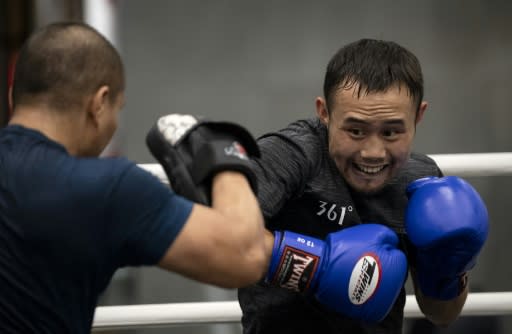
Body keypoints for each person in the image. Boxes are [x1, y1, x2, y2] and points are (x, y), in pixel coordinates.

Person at [0, 21, 272, 333]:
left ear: (12, 98)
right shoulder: (105, 188)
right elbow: (246, 255)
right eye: (118, 108)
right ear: (99, 104)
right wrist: (224, 155)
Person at [237, 38, 489, 334]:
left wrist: (449, 270)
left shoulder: (421, 182)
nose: (373, 151)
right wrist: (319, 266)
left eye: (391, 132)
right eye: (355, 131)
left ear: (418, 116)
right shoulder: (292, 155)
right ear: (324, 112)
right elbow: (219, 229)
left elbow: (441, 315)